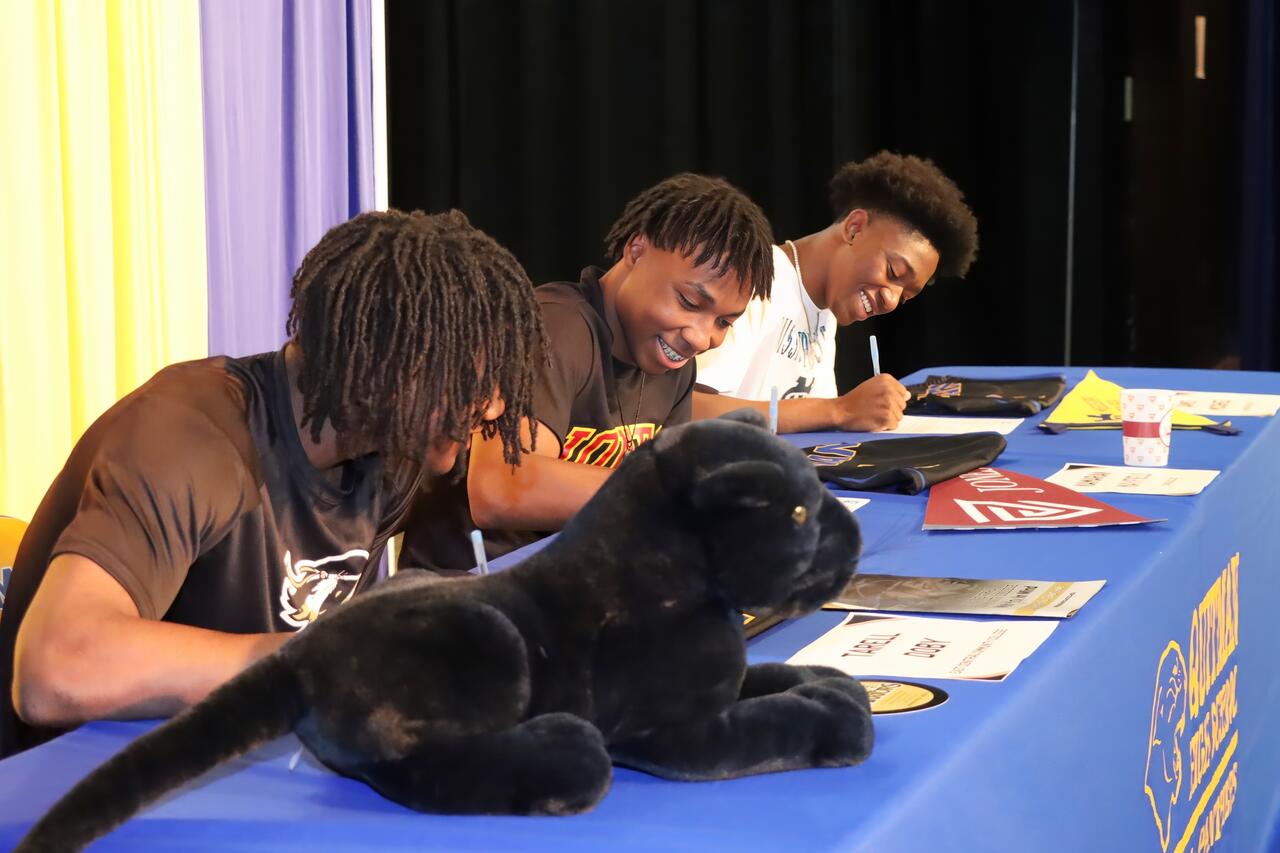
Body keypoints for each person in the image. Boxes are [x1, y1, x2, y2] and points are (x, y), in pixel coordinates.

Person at [0, 210, 545, 757]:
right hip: (67, 795)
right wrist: (328, 658)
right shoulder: (192, 438)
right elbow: (54, 669)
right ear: (392, 362)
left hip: (222, 770)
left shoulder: (394, 456)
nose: (494, 402)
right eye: (472, 376)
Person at [401, 173, 775, 573]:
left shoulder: (674, 365)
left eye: (724, 323)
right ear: (636, 250)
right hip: (461, 592)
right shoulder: (556, 326)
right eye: (688, 301)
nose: (701, 338)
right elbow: (500, 487)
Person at [694, 151, 979, 432]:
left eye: (904, 297)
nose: (891, 300)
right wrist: (840, 410)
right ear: (854, 229)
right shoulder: (755, 279)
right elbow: (685, 409)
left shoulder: (826, 310)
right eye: (893, 272)